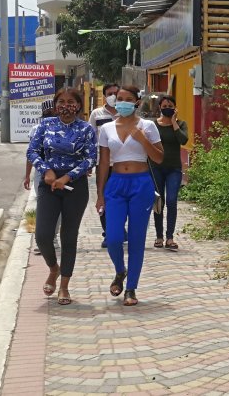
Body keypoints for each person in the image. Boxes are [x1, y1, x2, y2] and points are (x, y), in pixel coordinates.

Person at [25, 87, 96, 306]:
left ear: (79, 105)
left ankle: (64, 286)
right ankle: (53, 269)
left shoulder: (86, 129)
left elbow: (90, 159)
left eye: (71, 102)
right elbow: (32, 151)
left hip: (75, 187)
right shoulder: (45, 125)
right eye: (61, 102)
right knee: (43, 235)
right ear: (55, 105)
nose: (66, 106)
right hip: (49, 185)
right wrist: (46, 171)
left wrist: (67, 177)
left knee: (68, 236)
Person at [96, 86, 163, 306]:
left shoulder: (148, 126)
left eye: (128, 99)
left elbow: (159, 158)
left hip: (141, 184)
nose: (122, 102)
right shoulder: (106, 128)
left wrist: (143, 139)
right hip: (115, 185)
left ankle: (131, 288)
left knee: (137, 239)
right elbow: (104, 162)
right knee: (113, 237)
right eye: (119, 99)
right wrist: (100, 194)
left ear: (136, 102)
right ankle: (120, 271)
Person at [151, 96, 188, 250]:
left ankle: (170, 237)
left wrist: (173, 122)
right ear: (160, 107)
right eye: (164, 105)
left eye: (170, 105)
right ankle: (159, 236)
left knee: (172, 201)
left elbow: (183, 140)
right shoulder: (153, 125)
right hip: (156, 167)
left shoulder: (181, 124)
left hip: (174, 168)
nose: (167, 107)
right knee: (159, 202)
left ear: (175, 107)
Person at [89, 83, 119, 247]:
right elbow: (90, 138)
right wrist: (91, 162)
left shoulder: (126, 113)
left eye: (116, 93)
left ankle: (118, 229)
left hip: (122, 164)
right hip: (103, 164)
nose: (113, 96)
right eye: (110, 93)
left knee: (119, 199)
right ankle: (108, 232)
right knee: (103, 197)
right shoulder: (97, 114)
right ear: (105, 95)